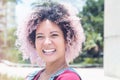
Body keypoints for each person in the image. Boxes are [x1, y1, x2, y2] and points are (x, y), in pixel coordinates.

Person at [16, 1, 85, 80]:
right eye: (40, 36)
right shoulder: (32, 76)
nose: (46, 42)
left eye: (54, 35)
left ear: (67, 40)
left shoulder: (69, 78)